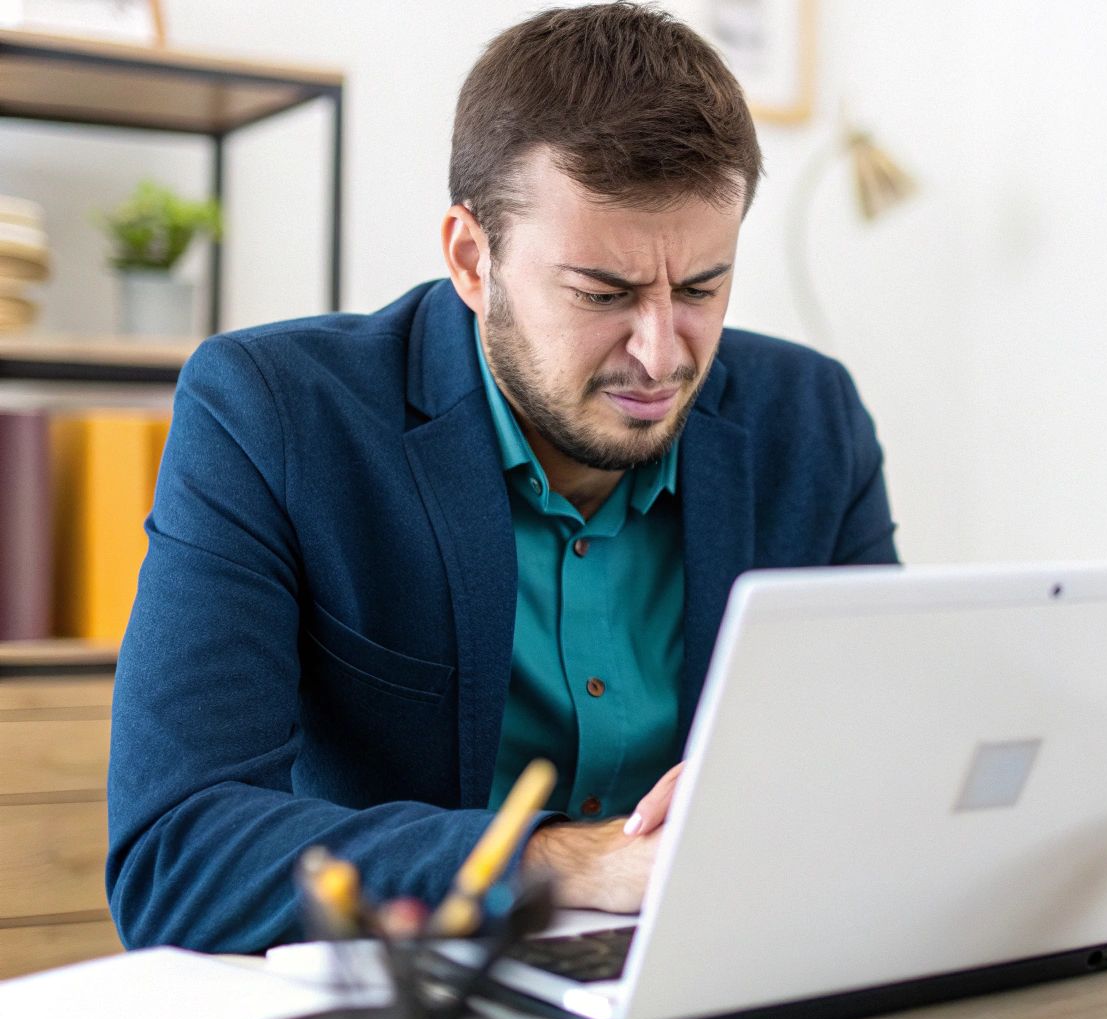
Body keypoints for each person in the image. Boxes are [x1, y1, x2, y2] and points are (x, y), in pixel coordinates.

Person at [104, 2, 897, 953]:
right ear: (472, 260)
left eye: (700, 290)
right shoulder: (271, 415)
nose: (658, 354)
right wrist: (572, 860)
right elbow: (173, 856)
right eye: (601, 295)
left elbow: (883, 763)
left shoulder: (811, 422)